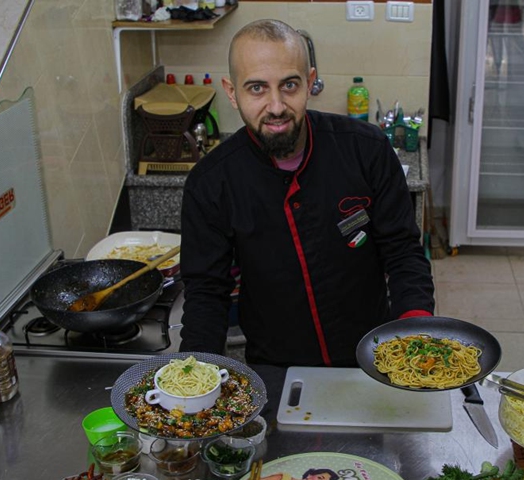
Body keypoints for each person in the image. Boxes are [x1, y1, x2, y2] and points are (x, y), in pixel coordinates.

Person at [178, 18, 434, 369]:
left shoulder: (366, 150)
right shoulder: (210, 183)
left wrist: (415, 325)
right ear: (232, 92)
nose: (276, 106)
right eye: (257, 88)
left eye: (289, 85)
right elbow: (207, 292)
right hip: (275, 368)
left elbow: (403, 252)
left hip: (373, 358)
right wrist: (194, 374)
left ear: (310, 82)